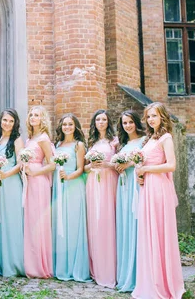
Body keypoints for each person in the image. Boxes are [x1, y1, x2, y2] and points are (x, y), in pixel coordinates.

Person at [133, 103, 185, 299]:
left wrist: (146, 170)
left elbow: (171, 165)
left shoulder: (166, 138)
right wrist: (140, 173)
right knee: (148, 231)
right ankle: (150, 279)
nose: (151, 120)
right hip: (147, 188)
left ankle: (164, 282)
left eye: (154, 116)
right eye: (148, 117)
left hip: (159, 189)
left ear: (162, 117)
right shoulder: (149, 139)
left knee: (160, 231)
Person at [51, 113, 90, 282]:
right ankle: (60, 265)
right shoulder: (57, 144)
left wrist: (68, 177)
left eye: (70, 124)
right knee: (60, 223)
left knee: (73, 224)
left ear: (75, 127)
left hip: (73, 185)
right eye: (64, 124)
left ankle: (75, 266)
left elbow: (80, 168)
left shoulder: (78, 145)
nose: (67, 127)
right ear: (61, 127)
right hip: (58, 186)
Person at [85, 109, 118, 288]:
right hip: (92, 183)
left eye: (104, 119)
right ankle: (96, 268)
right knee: (94, 223)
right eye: (98, 119)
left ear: (108, 122)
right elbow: (84, 168)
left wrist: (105, 164)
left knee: (107, 221)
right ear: (94, 123)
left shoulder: (114, 142)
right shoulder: (91, 142)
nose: (101, 122)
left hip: (108, 181)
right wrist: (91, 166)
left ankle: (109, 269)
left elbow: (119, 163)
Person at [0, 109, 24, 277]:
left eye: (11, 121)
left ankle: (13, 263)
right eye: (5, 120)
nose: (7, 124)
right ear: (0, 121)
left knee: (12, 220)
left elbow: (20, 164)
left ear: (15, 123)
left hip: (10, 182)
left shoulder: (16, 139)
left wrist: (7, 174)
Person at [115, 110, 146, 292]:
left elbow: (144, 160)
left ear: (136, 123)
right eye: (124, 123)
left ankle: (138, 274)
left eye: (130, 122)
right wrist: (118, 166)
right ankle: (126, 272)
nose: (127, 126)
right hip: (123, 187)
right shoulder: (122, 144)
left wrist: (128, 164)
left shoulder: (143, 141)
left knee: (136, 225)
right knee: (125, 225)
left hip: (135, 186)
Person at [22, 105, 54, 279]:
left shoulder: (43, 138)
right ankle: (31, 263)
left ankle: (41, 265)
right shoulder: (30, 138)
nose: (33, 117)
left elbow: (52, 164)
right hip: (29, 181)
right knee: (30, 220)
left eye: (37, 115)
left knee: (39, 221)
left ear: (42, 119)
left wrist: (35, 172)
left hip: (39, 182)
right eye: (31, 115)